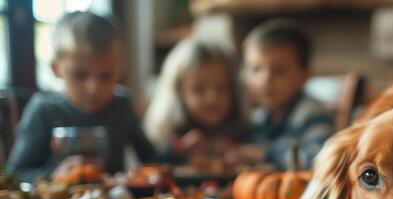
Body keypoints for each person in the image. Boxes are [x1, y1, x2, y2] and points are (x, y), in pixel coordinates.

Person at [5, 11, 155, 183]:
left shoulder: (122, 106)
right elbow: (15, 175)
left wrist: (174, 151)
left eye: (106, 76)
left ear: (120, 69)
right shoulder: (44, 111)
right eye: (80, 75)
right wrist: (54, 175)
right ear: (56, 69)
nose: (93, 88)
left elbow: (151, 159)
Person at [241, 19, 335, 171]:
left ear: (305, 76)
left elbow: (320, 159)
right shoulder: (260, 118)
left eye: (279, 71)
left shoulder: (311, 113)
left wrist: (265, 154)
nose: (265, 80)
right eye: (255, 69)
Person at [144, 38, 243, 167]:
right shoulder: (171, 137)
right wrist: (175, 152)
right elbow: (149, 168)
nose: (212, 98)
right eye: (199, 89)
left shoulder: (244, 131)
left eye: (222, 88)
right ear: (178, 92)